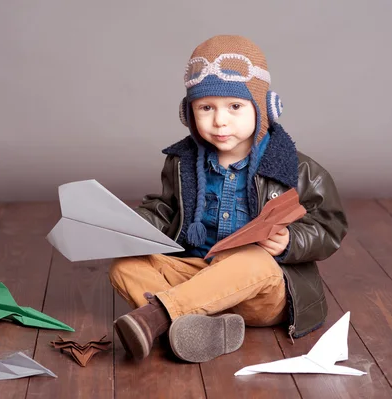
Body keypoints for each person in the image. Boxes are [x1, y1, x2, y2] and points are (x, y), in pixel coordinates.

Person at [108, 34, 348, 363]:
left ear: (265, 108)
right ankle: (200, 329)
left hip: (263, 289)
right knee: (127, 267)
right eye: (206, 108)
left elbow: (329, 226)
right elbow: (166, 210)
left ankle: (158, 319)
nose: (220, 120)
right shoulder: (182, 163)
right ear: (187, 112)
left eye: (235, 107)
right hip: (199, 273)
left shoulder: (297, 167)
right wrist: (129, 225)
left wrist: (291, 240)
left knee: (250, 260)